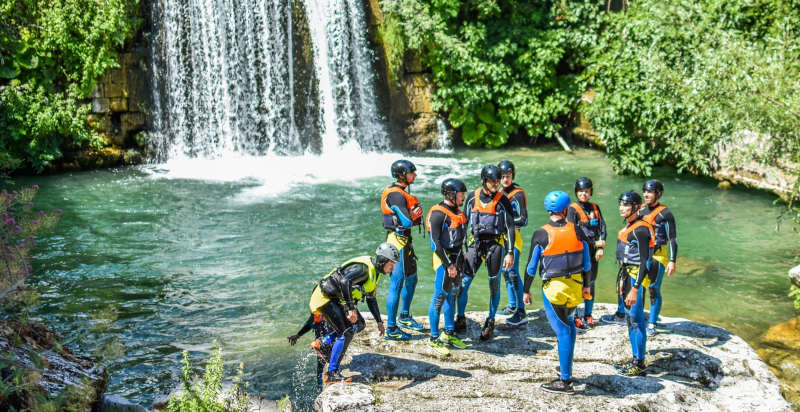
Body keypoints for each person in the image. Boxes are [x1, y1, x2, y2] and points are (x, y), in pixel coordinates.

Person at [523, 190, 592, 394]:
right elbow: (587, 263)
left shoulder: (541, 234)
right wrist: (587, 286)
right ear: (565, 209)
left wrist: (526, 290)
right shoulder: (578, 230)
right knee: (569, 325)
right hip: (575, 287)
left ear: (548, 210)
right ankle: (565, 368)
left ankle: (565, 381)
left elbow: (531, 268)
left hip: (555, 291)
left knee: (562, 331)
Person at [307, 243, 399, 383]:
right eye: (391, 264)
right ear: (382, 261)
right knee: (346, 332)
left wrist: (379, 321)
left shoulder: (375, 273)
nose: (392, 268)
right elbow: (345, 281)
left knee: (360, 324)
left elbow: (371, 298)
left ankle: (323, 343)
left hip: (335, 299)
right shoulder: (364, 269)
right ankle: (331, 373)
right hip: (325, 298)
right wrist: (351, 308)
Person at [457, 165, 516, 341]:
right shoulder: (471, 197)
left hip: (495, 246)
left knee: (494, 285)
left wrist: (510, 252)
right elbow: (463, 223)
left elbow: (510, 227)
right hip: (475, 244)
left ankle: (490, 320)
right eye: (492, 181)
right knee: (464, 283)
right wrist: (460, 248)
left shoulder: (503, 200)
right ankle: (460, 317)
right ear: (483, 181)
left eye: (498, 181)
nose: (496, 184)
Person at [424, 178, 469, 356]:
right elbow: (435, 244)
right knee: (439, 297)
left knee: (452, 296)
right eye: (461, 194)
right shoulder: (438, 214)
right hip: (444, 261)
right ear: (451, 195)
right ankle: (433, 338)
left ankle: (449, 333)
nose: (463, 197)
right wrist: (448, 265)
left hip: (456, 260)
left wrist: (461, 256)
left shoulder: (457, 212)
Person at [380, 160, 424, 341]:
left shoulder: (401, 192)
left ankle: (404, 316)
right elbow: (406, 221)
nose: (415, 175)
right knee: (396, 284)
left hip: (405, 242)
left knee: (412, 279)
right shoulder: (396, 195)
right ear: (402, 175)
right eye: (412, 172)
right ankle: (391, 328)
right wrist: (414, 215)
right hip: (397, 243)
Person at [613, 190, 654, 377]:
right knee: (629, 319)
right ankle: (634, 357)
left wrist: (635, 289)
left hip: (636, 279)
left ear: (636, 207)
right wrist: (623, 282)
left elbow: (646, 263)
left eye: (626, 205)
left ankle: (640, 363)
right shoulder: (630, 226)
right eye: (621, 204)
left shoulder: (641, 230)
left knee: (637, 321)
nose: (622, 208)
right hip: (627, 276)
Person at [565, 177, 607, 328]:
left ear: (591, 192)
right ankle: (576, 315)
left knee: (591, 282)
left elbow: (602, 228)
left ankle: (588, 314)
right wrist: (594, 243)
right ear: (576, 192)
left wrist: (600, 247)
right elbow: (573, 232)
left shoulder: (595, 208)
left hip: (593, 252)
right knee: (577, 282)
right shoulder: (572, 209)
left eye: (587, 191)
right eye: (581, 191)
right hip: (578, 251)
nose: (584, 194)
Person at [639, 179, 678, 337]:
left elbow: (673, 239)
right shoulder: (640, 209)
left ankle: (652, 323)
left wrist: (672, 261)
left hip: (657, 255)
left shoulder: (665, 214)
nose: (646, 194)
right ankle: (638, 316)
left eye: (650, 192)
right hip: (641, 253)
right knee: (638, 286)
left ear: (658, 194)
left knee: (653, 288)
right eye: (645, 191)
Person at [497, 160, 529, 326]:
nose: (505, 180)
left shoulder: (518, 194)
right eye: (502, 177)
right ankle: (511, 305)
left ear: (513, 176)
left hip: (514, 239)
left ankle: (521, 312)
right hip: (501, 239)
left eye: (508, 176)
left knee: (513, 273)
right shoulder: (498, 192)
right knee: (505, 272)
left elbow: (523, 220)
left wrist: (503, 223)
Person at [287, 314, 334, 389]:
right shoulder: (326, 310)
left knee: (321, 369)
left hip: (321, 342)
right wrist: (298, 335)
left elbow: (311, 322)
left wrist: (298, 335)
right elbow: (311, 322)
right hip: (325, 342)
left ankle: (320, 388)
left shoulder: (318, 310)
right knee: (323, 366)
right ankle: (322, 386)